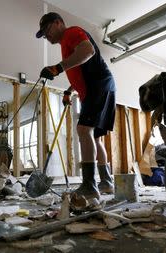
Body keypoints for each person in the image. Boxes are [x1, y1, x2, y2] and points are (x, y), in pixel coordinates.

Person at [36, 12, 116, 200]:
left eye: (46, 30)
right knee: (95, 137)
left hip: (97, 85)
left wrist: (57, 68)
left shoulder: (71, 33)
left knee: (83, 130)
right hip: (100, 86)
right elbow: (81, 67)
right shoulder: (66, 43)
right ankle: (106, 182)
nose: (46, 36)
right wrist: (69, 91)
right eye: (43, 34)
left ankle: (89, 186)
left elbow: (88, 51)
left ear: (58, 23)